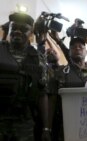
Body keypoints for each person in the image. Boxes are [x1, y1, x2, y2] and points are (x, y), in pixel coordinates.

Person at [0, 12, 50, 141]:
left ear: (31, 34)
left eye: (23, 29)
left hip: (24, 121)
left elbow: (42, 92)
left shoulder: (38, 58)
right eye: (14, 28)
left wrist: (45, 127)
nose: (17, 32)